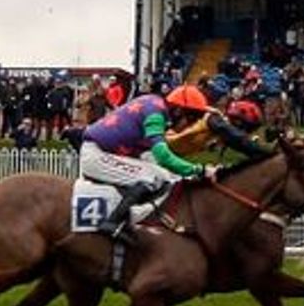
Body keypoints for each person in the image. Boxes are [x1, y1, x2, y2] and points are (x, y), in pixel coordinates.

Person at [79, 84, 214, 240]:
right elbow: (162, 156)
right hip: (97, 154)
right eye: (192, 119)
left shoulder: (156, 106)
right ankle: (112, 224)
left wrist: (186, 176)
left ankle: (135, 218)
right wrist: (198, 170)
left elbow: (153, 158)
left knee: (165, 177)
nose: (190, 125)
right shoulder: (156, 113)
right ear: (178, 110)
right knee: (151, 178)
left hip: (105, 152)